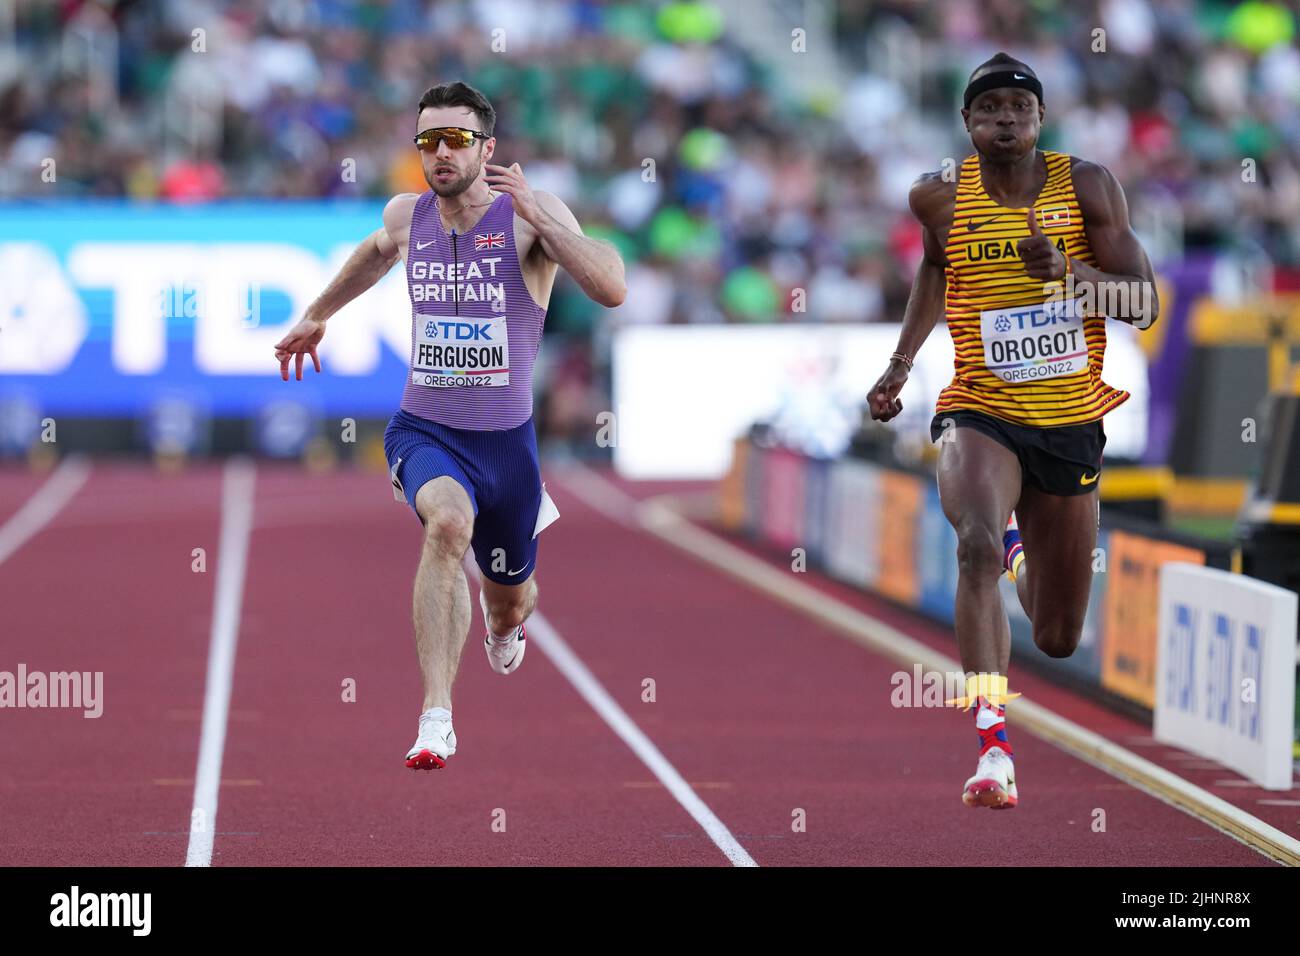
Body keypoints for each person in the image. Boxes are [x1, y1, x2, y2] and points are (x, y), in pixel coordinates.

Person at [274, 81, 626, 770]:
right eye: (428, 140)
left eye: (456, 140)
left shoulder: (530, 215)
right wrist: (319, 312)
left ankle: (505, 624)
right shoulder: (409, 217)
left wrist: (545, 222)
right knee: (446, 526)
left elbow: (612, 286)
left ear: (486, 148)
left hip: (507, 450)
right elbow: (375, 253)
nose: (440, 153)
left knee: (511, 601)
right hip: (424, 430)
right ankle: (437, 715)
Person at [866, 54, 1158, 809]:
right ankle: (993, 748)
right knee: (973, 547)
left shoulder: (1089, 186)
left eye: (1017, 108)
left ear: (1040, 120)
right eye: (988, 107)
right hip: (981, 408)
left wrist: (1067, 272)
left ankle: (1020, 552)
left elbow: (1143, 305)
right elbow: (934, 271)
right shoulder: (938, 198)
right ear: (966, 123)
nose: (1003, 119)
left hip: (1069, 420)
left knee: (1058, 634)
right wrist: (900, 365)